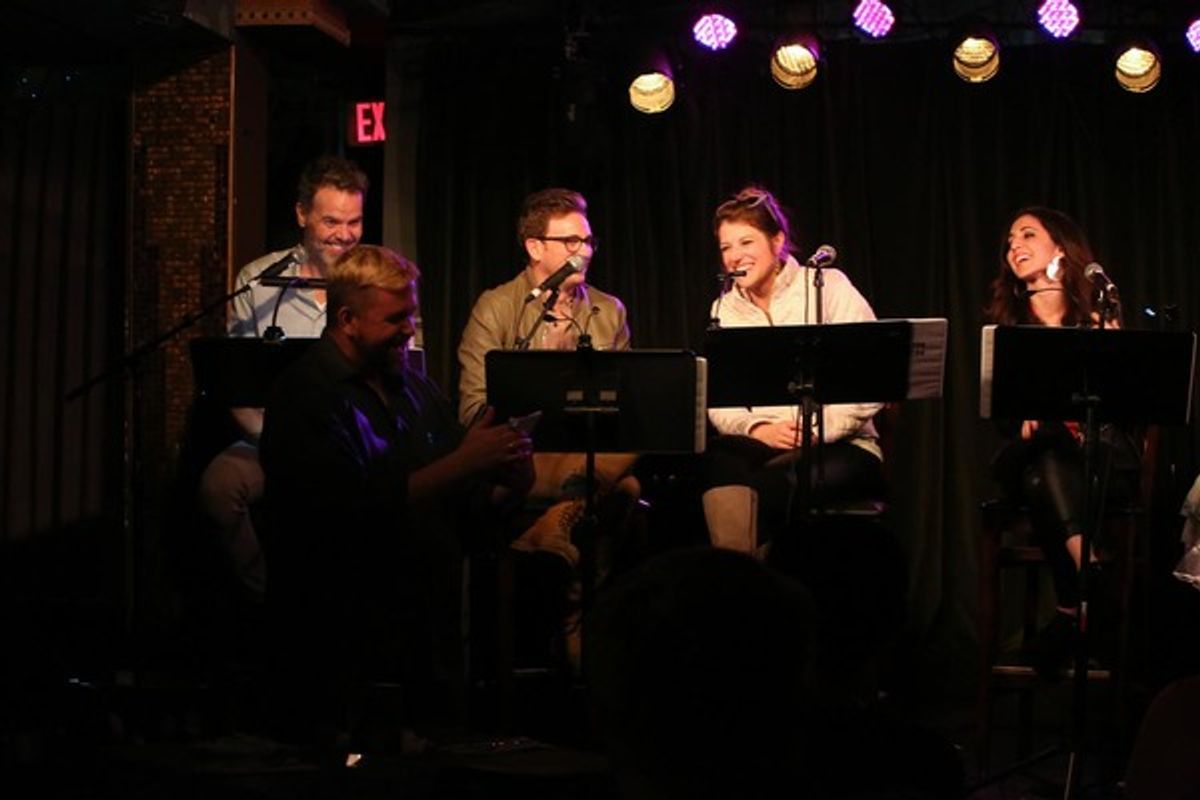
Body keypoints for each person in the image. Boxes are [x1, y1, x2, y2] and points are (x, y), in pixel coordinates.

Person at [258, 244, 533, 747]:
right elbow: (342, 514)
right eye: (396, 318)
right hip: (346, 644)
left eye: (412, 314)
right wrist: (463, 463)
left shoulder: (413, 388)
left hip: (427, 638)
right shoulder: (305, 395)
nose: (410, 329)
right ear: (347, 319)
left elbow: (460, 498)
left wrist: (506, 475)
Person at [456, 188, 639, 668]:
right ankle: (575, 615)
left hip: (590, 449)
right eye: (570, 241)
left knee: (640, 451)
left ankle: (557, 522)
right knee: (626, 488)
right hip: (523, 453)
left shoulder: (608, 310)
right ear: (535, 247)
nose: (584, 251)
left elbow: (626, 406)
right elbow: (474, 411)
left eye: (588, 240)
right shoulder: (497, 308)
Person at [196, 155, 370, 602]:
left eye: (354, 222)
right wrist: (277, 439)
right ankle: (270, 601)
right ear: (301, 215)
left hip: (358, 442)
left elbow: (402, 378)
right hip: (272, 440)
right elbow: (235, 386)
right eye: (331, 221)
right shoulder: (258, 282)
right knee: (218, 485)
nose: (344, 235)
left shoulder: (378, 281)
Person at [986, 206, 1142, 677]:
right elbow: (1000, 422)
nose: (1015, 245)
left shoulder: (1096, 320)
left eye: (1028, 235)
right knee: (1042, 451)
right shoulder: (1007, 329)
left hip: (1097, 464)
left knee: (1043, 475)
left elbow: (1128, 408)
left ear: (1061, 249)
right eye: (1010, 238)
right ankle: (1093, 579)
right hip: (1032, 453)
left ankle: (1073, 610)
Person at [702, 186, 885, 553]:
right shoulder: (723, 309)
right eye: (726, 247)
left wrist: (817, 430)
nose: (735, 256)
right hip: (764, 443)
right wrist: (758, 428)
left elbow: (872, 375)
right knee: (715, 466)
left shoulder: (828, 286)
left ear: (778, 241)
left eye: (746, 242)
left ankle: (766, 588)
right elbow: (721, 399)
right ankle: (739, 577)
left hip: (842, 445)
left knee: (773, 486)